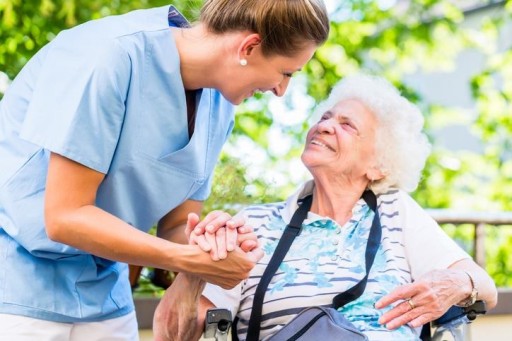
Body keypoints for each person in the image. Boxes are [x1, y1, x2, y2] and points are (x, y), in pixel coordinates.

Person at [0, 0, 330, 339]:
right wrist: (187, 260)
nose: (281, 90)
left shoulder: (218, 106)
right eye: (286, 72)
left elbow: (174, 226)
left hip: (104, 298)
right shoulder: (108, 56)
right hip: (17, 290)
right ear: (249, 46)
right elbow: (64, 216)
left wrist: (214, 244)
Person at [160, 74, 498, 340]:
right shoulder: (254, 224)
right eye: (325, 116)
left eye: (347, 125)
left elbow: (484, 287)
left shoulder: (397, 212)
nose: (324, 125)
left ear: (379, 166)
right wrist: (193, 272)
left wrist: (456, 283)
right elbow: (174, 335)